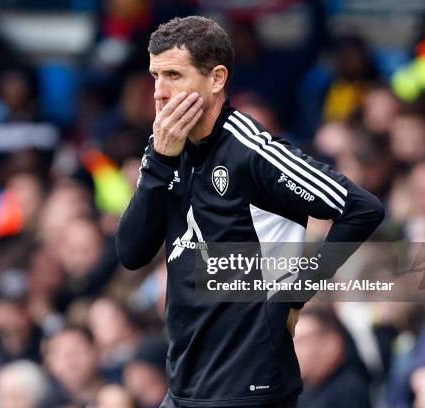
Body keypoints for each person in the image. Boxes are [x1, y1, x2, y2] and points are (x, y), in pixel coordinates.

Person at [116, 16, 384, 408]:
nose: (159, 92)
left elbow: (361, 209)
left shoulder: (251, 149)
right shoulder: (164, 150)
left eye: (174, 75)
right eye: (156, 76)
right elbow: (131, 253)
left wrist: (296, 294)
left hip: (249, 384)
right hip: (187, 383)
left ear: (216, 78)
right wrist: (158, 162)